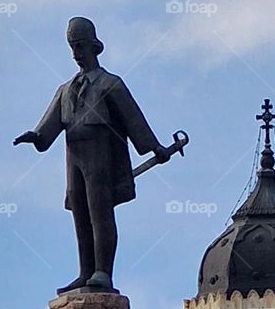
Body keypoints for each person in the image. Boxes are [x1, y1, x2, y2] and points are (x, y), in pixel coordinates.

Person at [14, 17, 172, 294]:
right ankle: (85, 271)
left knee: (100, 211)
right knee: (80, 212)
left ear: (94, 47)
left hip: (100, 153)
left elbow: (133, 119)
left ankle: (102, 272)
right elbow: (48, 128)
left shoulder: (110, 84)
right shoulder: (65, 90)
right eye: (72, 47)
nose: (76, 52)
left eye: (80, 46)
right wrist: (36, 137)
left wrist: (155, 146)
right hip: (74, 155)